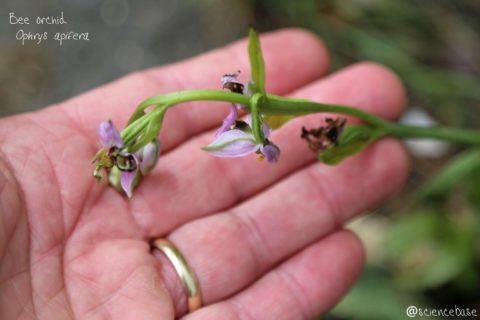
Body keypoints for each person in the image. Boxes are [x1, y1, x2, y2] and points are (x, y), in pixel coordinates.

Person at [0, 29, 409, 319]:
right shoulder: (133, 153)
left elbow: (255, 136)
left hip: (246, 128)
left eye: (118, 157)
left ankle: (370, 127)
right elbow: (128, 152)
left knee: (265, 130)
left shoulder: (132, 145)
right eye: (120, 159)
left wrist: (244, 118)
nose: (118, 161)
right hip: (234, 131)